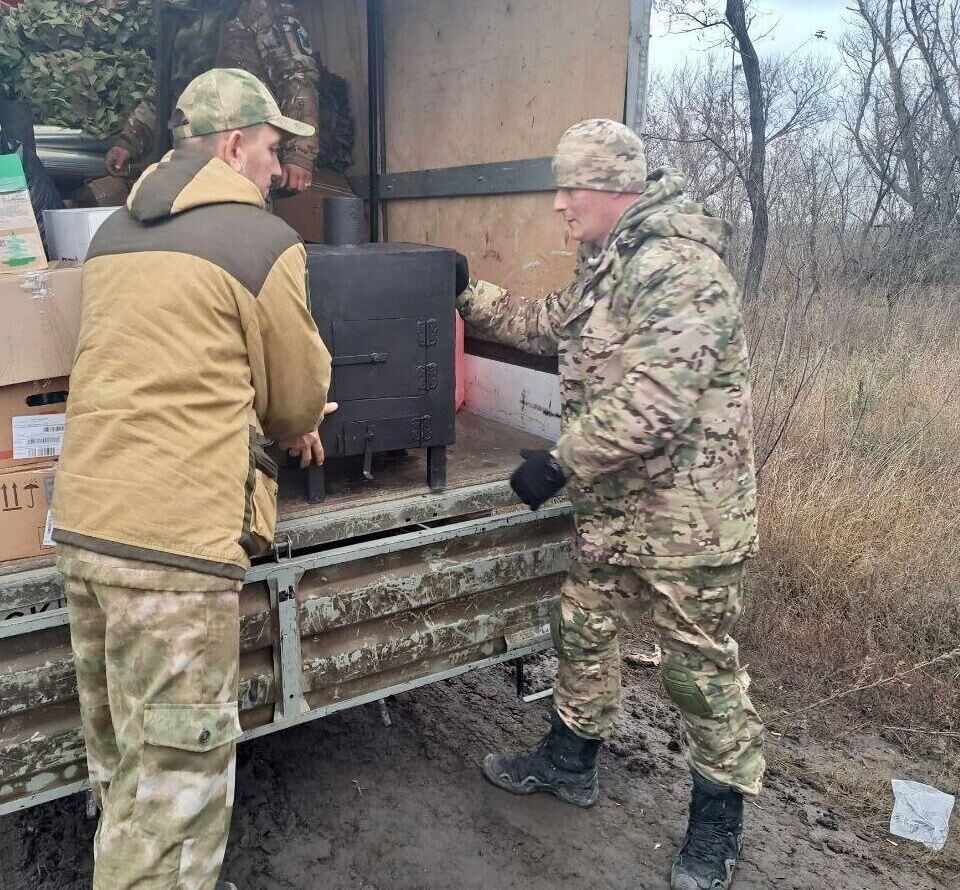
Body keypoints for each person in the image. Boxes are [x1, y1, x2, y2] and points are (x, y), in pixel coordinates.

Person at [456, 119, 764, 890]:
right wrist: (462, 290)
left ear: (617, 188)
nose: (558, 203)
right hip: (616, 509)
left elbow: (657, 403)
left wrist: (559, 463)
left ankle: (716, 823)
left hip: (687, 519)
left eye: (570, 187)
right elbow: (544, 324)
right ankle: (569, 762)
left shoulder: (683, 269)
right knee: (582, 626)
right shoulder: (608, 265)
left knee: (698, 671)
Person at [52, 68, 333, 890]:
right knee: (176, 802)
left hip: (85, 528)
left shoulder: (109, 235)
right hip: (173, 549)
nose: (280, 171)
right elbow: (295, 401)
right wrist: (293, 416)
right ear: (234, 144)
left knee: (125, 770)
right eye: (275, 150)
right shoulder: (261, 243)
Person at [105, 0, 320, 192]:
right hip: (189, 160)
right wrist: (129, 141)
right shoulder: (185, 17)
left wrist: (299, 153)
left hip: (243, 157)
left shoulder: (261, 10)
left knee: (242, 227)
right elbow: (168, 91)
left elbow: (297, 78)